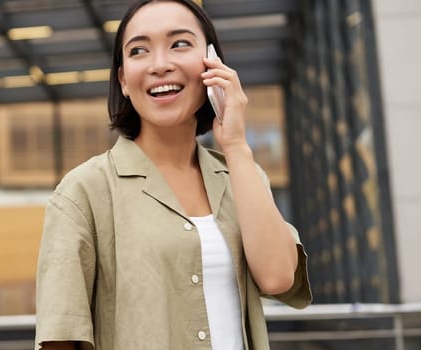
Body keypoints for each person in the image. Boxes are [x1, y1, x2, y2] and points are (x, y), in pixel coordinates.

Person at [34, 0, 311, 349]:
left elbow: (277, 277)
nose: (160, 65)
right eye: (139, 51)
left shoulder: (240, 175)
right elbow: (60, 338)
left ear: (212, 63)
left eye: (179, 44)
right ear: (123, 79)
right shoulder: (83, 191)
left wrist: (237, 145)